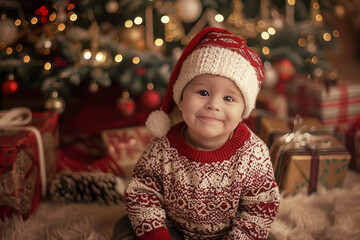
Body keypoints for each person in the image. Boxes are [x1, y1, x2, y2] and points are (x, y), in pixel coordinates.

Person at [114, 27, 280, 240]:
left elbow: (260, 208)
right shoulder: (163, 146)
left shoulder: (253, 153)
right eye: (203, 93)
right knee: (124, 227)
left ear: (243, 113)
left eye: (228, 99)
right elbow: (142, 192)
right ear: (181, 100)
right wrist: (158, 234)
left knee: (266, 234)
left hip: (229, 233)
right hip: (173, 229)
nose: (213, 105)